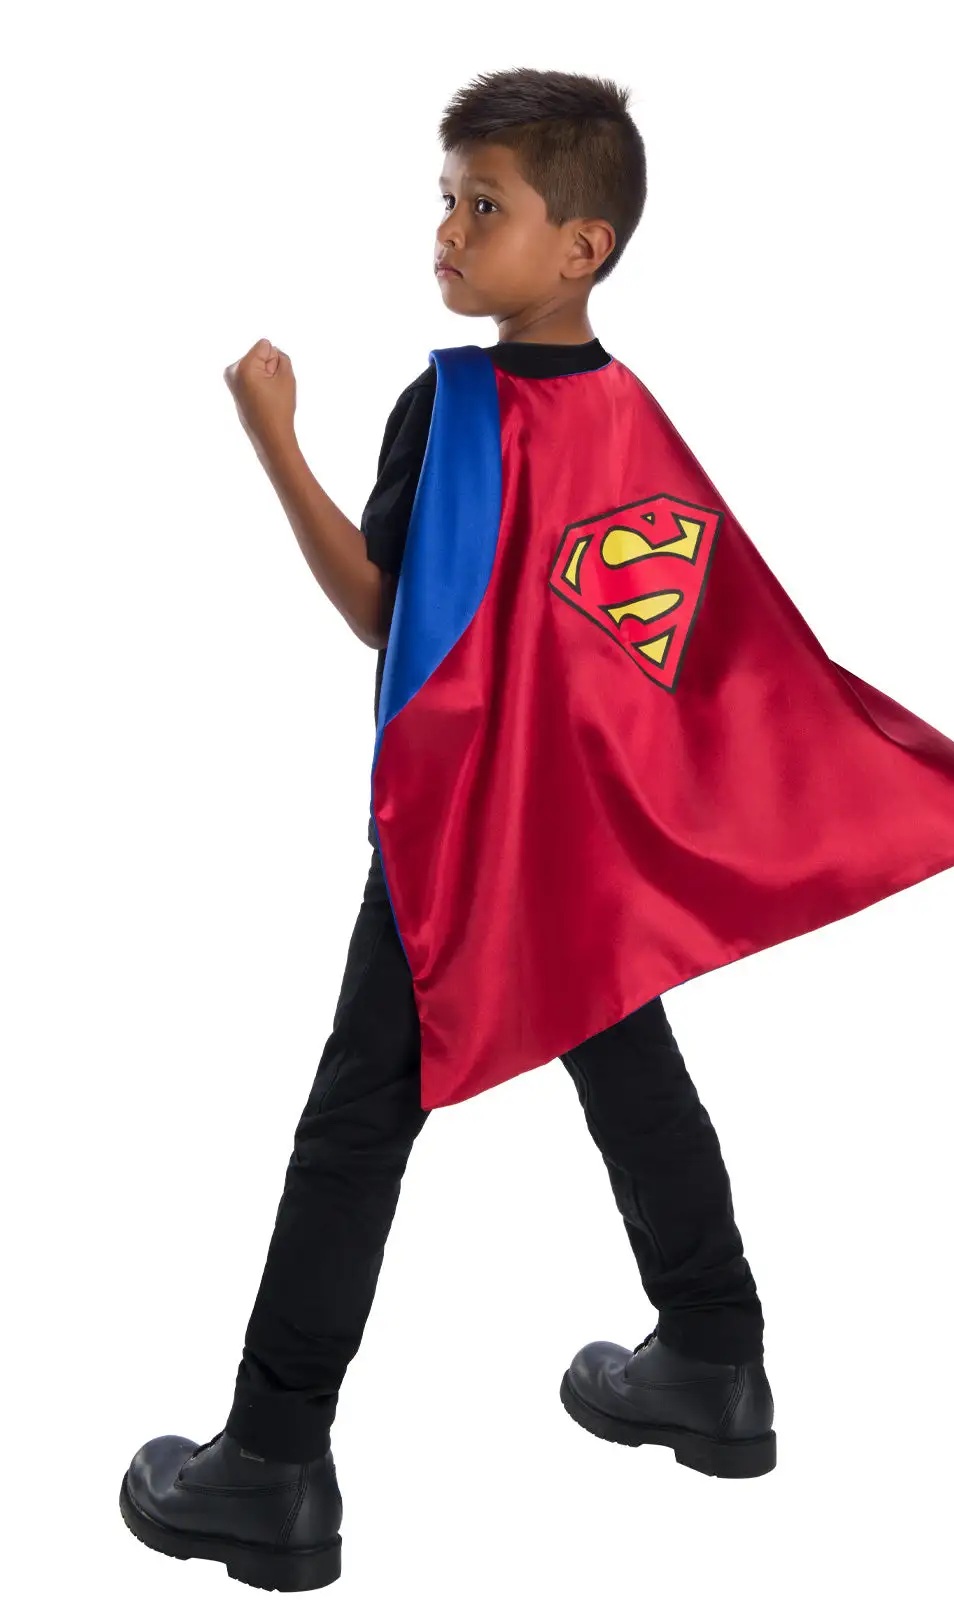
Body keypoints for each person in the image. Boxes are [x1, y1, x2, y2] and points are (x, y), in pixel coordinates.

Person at [119, 68, 777, 1594]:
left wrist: (276, 442)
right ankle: (715, 1358)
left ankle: (272, 1460)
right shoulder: (634, 422)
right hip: (584, 832)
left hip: (466, 837)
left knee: (359, 1117)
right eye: (447, 200)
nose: (451, 231)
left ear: (583, 245)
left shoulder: (457, 411)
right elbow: (661, 641)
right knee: (630, 1071)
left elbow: (380, 611)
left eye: (487, 205)